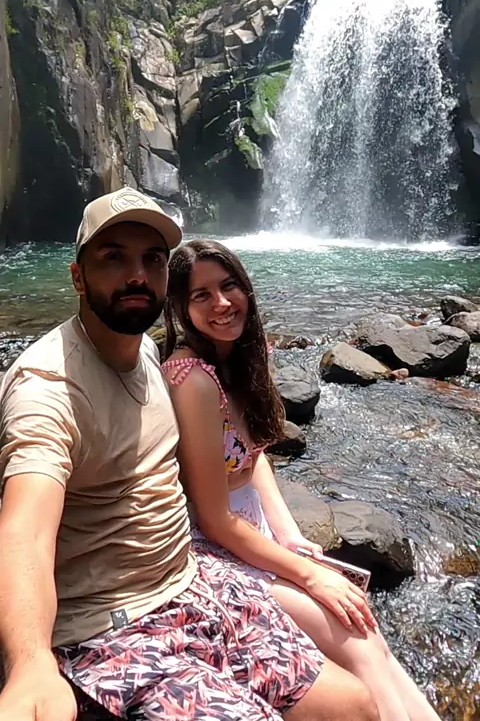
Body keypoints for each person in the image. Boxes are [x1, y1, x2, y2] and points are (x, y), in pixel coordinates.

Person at [0, 188, 380, 721]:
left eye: (152, 260)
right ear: (78, 277)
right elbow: (24, 530)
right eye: (114, 258)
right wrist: (30, 661)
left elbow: (237, 451)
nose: (137, 276)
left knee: (356, 706)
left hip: (192, 583)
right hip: (110, 629)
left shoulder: (147, 352)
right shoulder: (48, 388)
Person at [162, 238, 441, 721]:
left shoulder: (232, 360)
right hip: (215, 549)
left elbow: (253, 458)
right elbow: (214, 517)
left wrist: (290, 536)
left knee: (366, 632)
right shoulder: (194, 381)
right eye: (201, 295)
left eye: (228, 286)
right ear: (181, 309)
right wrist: (307, 572)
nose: (221, 303)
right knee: (357, 641)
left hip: (251, 533)